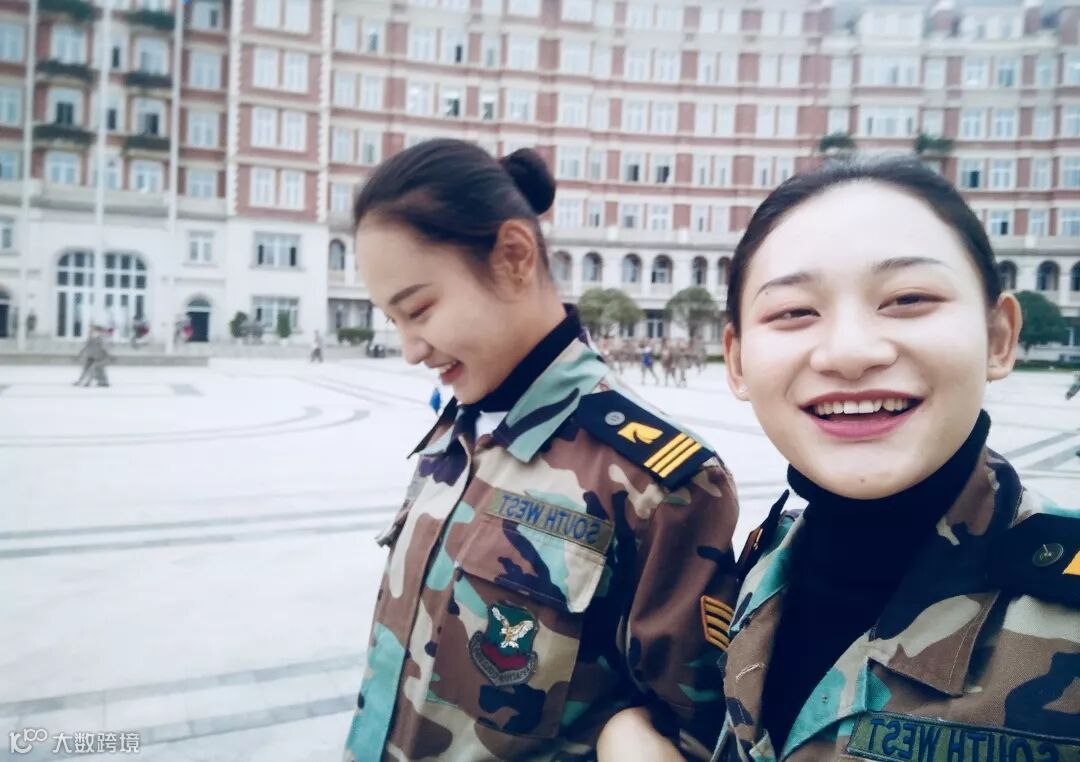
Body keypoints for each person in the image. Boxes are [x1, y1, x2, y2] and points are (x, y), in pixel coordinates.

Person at [597, 158, 1080, 761]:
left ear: (1000, 337)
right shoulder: (763, 568)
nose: (850, 352)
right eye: (794, 311)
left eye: (908, 298)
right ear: (738, 362)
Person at [341, 139, 742, 762]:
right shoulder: (460, 428)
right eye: (394, 321)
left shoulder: (655, 481)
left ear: (514, 255)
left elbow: (695, 734)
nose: (410, 350)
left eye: (418, 310)